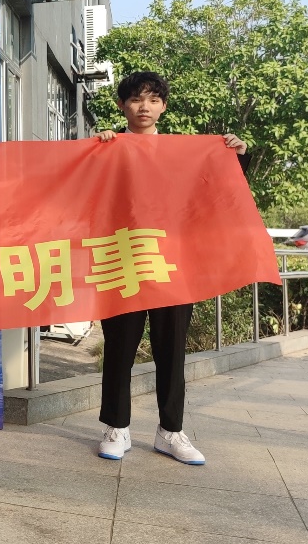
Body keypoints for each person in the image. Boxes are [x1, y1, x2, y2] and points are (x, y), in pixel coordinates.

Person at [94, 70, 248, 466]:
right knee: (119, 350)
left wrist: (234, 155)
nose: (144, 107)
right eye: (135, 99)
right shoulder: (108, 148)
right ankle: (117, 427)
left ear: (163, 106)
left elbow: (216, 191)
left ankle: (171, 431)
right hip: (124, 261)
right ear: (121, 105)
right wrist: (97, 151)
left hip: (172, 264)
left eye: (152, 99)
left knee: (172, 350)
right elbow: (84, 193)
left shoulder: (183, 153)